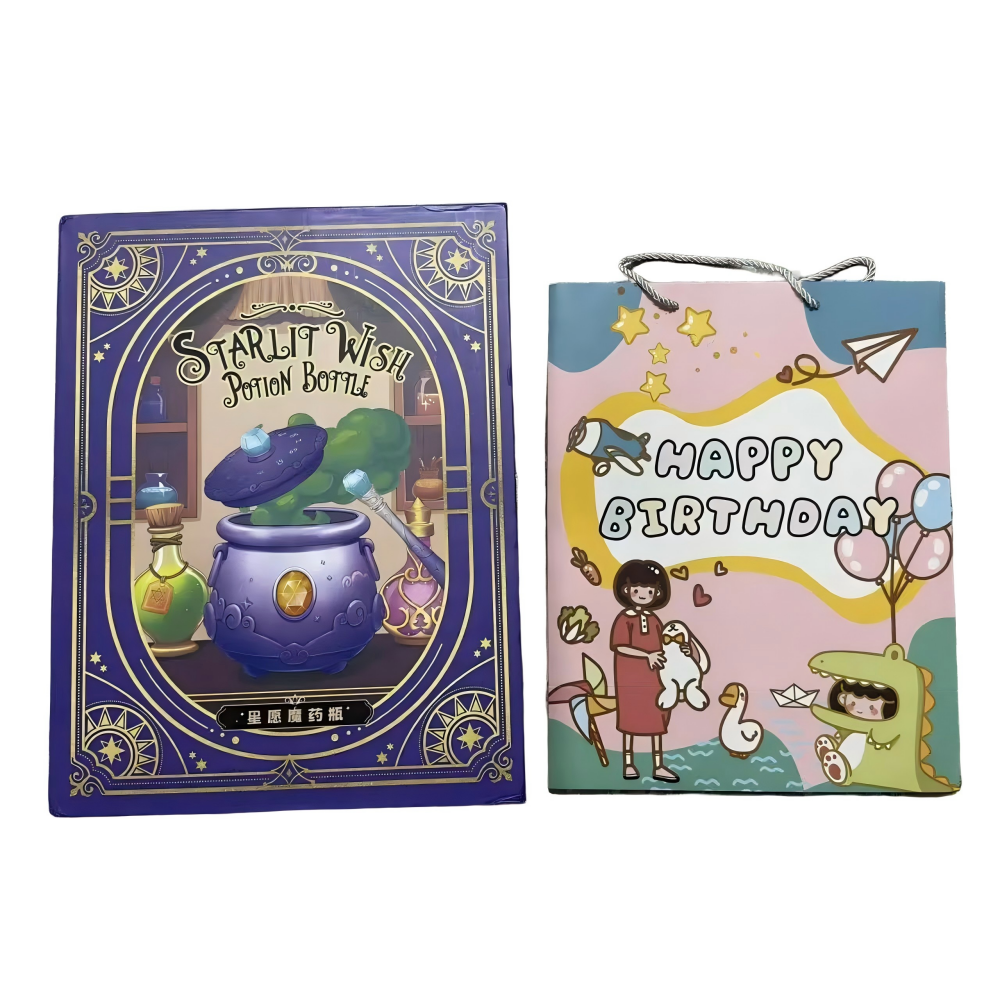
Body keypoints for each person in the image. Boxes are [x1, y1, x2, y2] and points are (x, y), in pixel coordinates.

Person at [609, 560, 677, 782]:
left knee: (656, 719)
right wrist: (646, 655)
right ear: (626, 590)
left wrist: (678, 649)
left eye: (649, 590)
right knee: (630, 720)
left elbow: (662, 644)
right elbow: (620, 646)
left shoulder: (654, 619)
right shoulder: (624, 619)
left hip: (654, 677)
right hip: (629, 678)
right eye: (637, 589)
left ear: (657, 592)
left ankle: (658, 765)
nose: (643, 595)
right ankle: (628, 763)